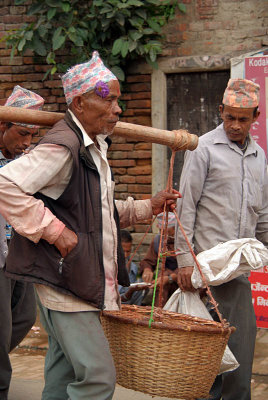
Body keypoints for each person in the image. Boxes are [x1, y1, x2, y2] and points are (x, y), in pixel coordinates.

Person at [0, 52, 180, 400]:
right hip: (69, 285)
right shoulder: (64, 146)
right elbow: (5, 184)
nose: (117, 109)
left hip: (74, 281)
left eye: (118, 100)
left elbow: (92, 210)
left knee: (61, 377)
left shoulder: (91, 146)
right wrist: (53, 230)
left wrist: (148, 207)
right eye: (108, 98)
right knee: (97, 378)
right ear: (80, 103)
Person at [175, 78, 268, 400]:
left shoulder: (258, 157)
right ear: (220, 112)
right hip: (205, 269)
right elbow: (185, 206)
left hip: (238, 271)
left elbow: (263, 212)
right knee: (206, 365)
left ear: (256, 116)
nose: (235, 125)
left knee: (239, 360)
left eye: (243, 119)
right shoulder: (203, 148)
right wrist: (185, 260)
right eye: (229, 117)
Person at [0, 85, 44, 400]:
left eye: (32, 136)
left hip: (20, 254)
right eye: (21, 133)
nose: (26, 142)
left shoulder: (26, 161)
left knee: (26, 316)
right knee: (1, 330)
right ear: (3, 126)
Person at [140, 212, 178, 306]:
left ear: (175, 229)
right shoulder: (158, 240)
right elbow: (148, 261)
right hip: (165, 280)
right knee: (160, 285)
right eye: (162, 231)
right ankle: (158, 314)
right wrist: (147, 269)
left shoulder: (186, 241)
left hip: (183, 279)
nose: (165, 235)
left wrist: (170, 277)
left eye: (168, 232)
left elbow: (194, 267)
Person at [118, 229, 149, 305]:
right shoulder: (107, 266)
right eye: (122, 251)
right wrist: (129, 292)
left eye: (128, 251)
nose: (125, 255)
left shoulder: (132, 267)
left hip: (129, 303)